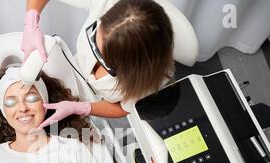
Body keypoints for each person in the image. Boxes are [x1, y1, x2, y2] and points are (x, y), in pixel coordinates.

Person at [21, 0, 175, 128]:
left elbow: (123, 108)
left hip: (97, 102)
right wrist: (31, 21)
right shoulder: (108, 4)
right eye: (93, 38)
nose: (94, 52)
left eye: (105, 59)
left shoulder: (150, 81)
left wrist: (83, 108)